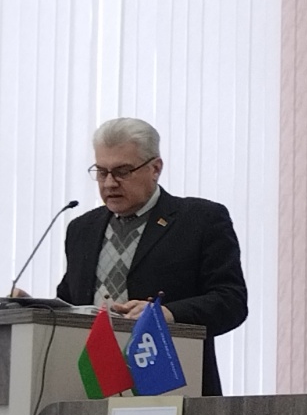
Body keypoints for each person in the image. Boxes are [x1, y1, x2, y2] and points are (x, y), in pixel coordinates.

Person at [56, 118, 248, 394]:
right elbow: (71, 303)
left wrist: (167, 313)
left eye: (122, 171)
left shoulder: (200, 220)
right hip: (93, 384)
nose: (109, 183)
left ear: (155, 168)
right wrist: (32, 307)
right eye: (101, 172)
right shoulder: (81, 229)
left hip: (172, 383)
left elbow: (231, 302)